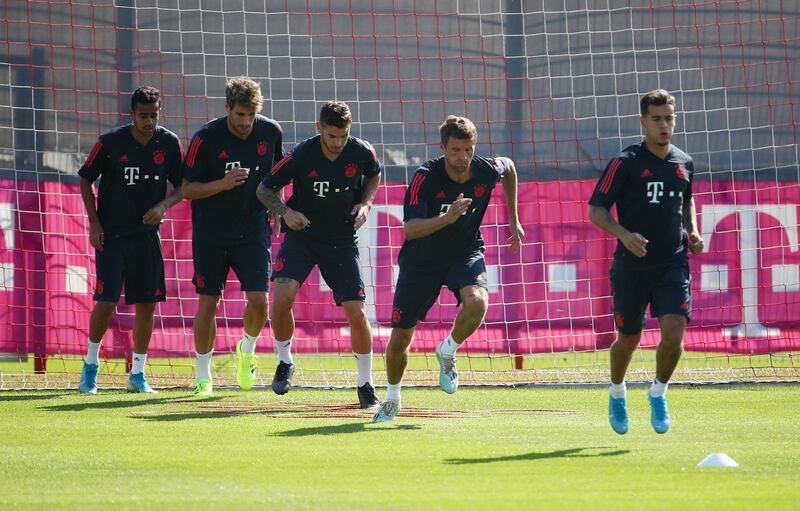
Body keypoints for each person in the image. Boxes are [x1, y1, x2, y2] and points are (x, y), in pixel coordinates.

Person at [372, 116, 524, 422]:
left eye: (468, 149)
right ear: (443, 148)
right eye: (455, 149)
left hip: (464, 251)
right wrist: (447, 218)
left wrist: (513, 218)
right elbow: (411, 229)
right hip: (421, 259)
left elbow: (509, 167)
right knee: (401, 335)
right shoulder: (424, 177)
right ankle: (391, 398)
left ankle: (448, 350)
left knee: (479, 301)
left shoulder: (485, 169)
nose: (463, 157)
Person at [587, 89, 705, 435]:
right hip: (632, 266)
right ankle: (618, 392)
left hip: (672, 263)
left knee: (674, 333)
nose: (664, 125)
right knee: (629, 338)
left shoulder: (684, 163)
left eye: (669, 118)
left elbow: (686, 202)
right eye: (656, 119)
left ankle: (658, 392)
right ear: (643, 122)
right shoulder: (625, 163)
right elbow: (596, 210)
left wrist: (693, 231)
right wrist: (623, 234)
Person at [256, 101, 382, 409]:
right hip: (303, 235)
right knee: (282, 298)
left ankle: (366, 384)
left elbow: (374, 175)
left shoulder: (362, 151)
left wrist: (365, 204)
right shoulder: (302, 154)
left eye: (343, 135)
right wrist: (285, 212)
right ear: (319, 128)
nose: (338, 143)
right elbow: (264, 189)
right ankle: (285, 361)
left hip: (341, 239)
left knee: (357, 313)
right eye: (331, 136)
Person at [77, 86, 184, 394]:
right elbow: (85, 179)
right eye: (143, 116)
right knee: (106, 301)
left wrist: (163, 205)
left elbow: (183, 186)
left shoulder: (170, 143)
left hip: (147, 238)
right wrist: (94, 223)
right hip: (111, 236)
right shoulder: (110, 143)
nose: (149, 122)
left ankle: (137, 374)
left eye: (154, 115)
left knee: (147, 304)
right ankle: (90, 367)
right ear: (132, 114)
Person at [182, 76, 284, 397]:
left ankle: (247, 349)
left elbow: (278, 173)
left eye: (251, 115)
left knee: (259, 301)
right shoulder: (205, 138)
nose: (245, 122)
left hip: (252, 228)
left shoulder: (271, 132)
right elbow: (187, 189)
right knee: (208, 303)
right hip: (211, 231)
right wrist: (221, 184)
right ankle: (203, 377)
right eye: (240, 115)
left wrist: (276, 206)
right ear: (227, 107)